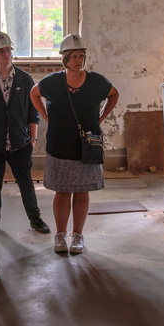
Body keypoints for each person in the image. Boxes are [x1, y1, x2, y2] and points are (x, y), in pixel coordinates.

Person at [29, 34, 119, 255]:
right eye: (74, 56)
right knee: (62, 192)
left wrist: (100, 118)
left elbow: (114, 94)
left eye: (82, 56)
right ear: (65, 59)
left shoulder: (96, 81)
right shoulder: (53, 81)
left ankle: (77, 236)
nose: (79, 60)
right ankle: (60, 236)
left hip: (87, 146)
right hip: (60, 145)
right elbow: (34, 93)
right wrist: (46, 117)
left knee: (82, 192)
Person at [0, 31, 50, 234]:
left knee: (26, 183)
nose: (6, 54)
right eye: (1, 51)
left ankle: (35, 219)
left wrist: (32, 138)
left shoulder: (24, 79)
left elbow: (34, 112)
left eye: (8, 50)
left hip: (20, 142)